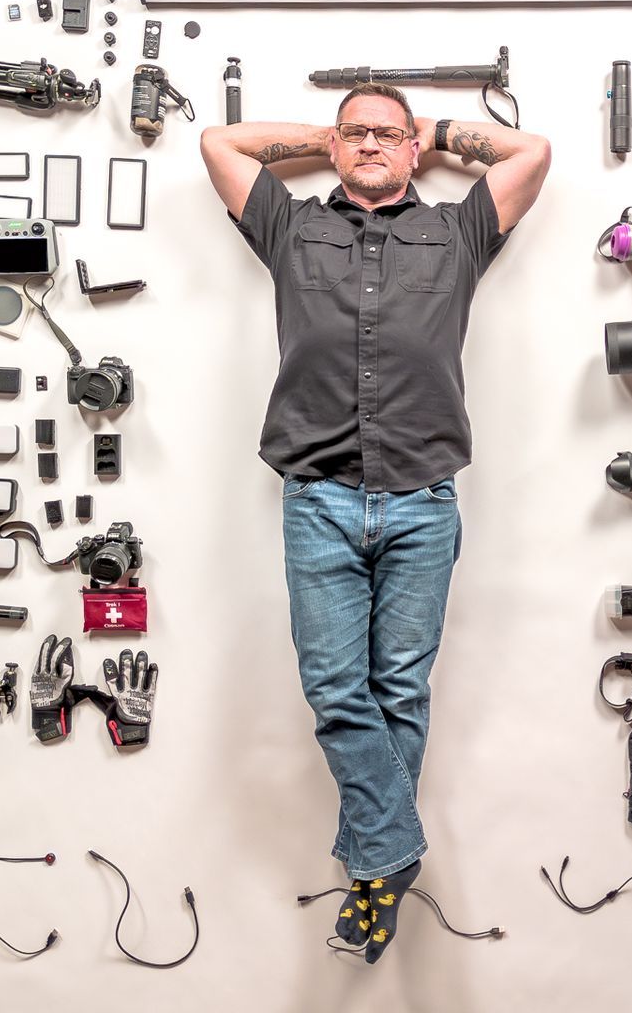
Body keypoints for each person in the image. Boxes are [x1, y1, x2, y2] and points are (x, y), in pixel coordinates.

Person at [201, 85, 549, 961]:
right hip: (316, 493)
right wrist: (328, 136)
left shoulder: (459, 231)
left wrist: (427, 132)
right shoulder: (290, 226)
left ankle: (371, 882)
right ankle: (391, 853)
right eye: (355, 132)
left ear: (414, 149)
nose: (368, 144)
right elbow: (220, 142)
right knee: (334, 689)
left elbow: (531, 153)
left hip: (424, 496)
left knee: (400, 688)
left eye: (385, 134)